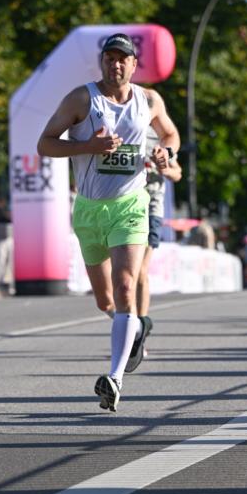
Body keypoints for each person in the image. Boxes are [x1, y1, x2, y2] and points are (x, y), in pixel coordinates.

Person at [37, 32, 180, 411]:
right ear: (102, 62)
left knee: (126, 285)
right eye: (109, 58)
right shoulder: (82, 99)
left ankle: (114, 379)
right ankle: (134, 326)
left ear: (134, 65)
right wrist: (89, 146)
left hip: (130, 206)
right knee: (106, 300)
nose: (116, 64)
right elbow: (45, 143)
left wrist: (166, 154)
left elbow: (169, 134)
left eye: (123, 59)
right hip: (88, 210)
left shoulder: (149, 100)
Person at [135, 126, 182, 349]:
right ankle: (129, 327)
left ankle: (139, 333)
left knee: (140, 271)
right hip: (123, 207)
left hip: (151, 209)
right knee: (124, 276)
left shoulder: (159, 136)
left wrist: (163, 167)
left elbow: (178, 173)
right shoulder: (121, 130)